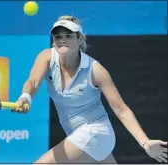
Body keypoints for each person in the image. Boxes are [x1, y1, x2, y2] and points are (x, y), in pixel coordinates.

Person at [13, 15, 168, 163]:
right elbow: (33, 82)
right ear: (53, 41)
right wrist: (25, 97)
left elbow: (121, 110)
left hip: (96, 133)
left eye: (68, 36)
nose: (62, 40)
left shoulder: (96, 71)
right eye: (58, 36)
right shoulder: (46, 57)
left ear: (79, 38)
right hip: (78, 136)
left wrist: (145, 142)